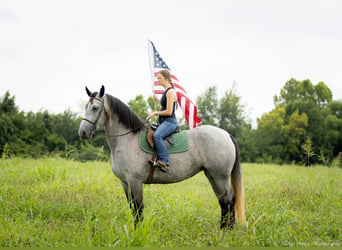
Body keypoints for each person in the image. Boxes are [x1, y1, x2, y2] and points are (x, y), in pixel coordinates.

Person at [147, 69, 178, 172]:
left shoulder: (170, 92)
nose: (158, 81)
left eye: (159, 78)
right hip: (164, 121)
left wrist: (155, 113)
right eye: (157, 79)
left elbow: (169, 111)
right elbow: (172, 106)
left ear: (166, 78)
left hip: (170, 121)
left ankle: (164, 161)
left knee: (157, 135)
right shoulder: (167, 92)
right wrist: (159, 100)